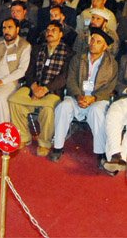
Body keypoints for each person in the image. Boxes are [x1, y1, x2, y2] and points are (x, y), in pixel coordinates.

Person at [50, 28, 118, 166]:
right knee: (63, 107)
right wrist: (78, 96)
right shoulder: (78, 58)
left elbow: (110, 87)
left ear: (105, 47)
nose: (93, 43)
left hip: (97, 99)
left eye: (98, 42)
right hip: (77, 96)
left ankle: (100, 153)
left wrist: (93, 98)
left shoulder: (112, 64)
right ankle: (57, 147)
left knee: (97, 112)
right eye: (92, 39)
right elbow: (71, 81)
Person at [8, 21, 73, 157]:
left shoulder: (68, 52)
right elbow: (29, 71)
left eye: (53, 30)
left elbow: (64, 77)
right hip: (33, 86)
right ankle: (24, 137)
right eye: (48, 29)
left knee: (48, 108)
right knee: (13, 100)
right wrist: (34, 86)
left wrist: (45, 89)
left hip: (53, 90)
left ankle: (44, 143)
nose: (49, 32)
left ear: (61, 34)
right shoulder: (37, 49)